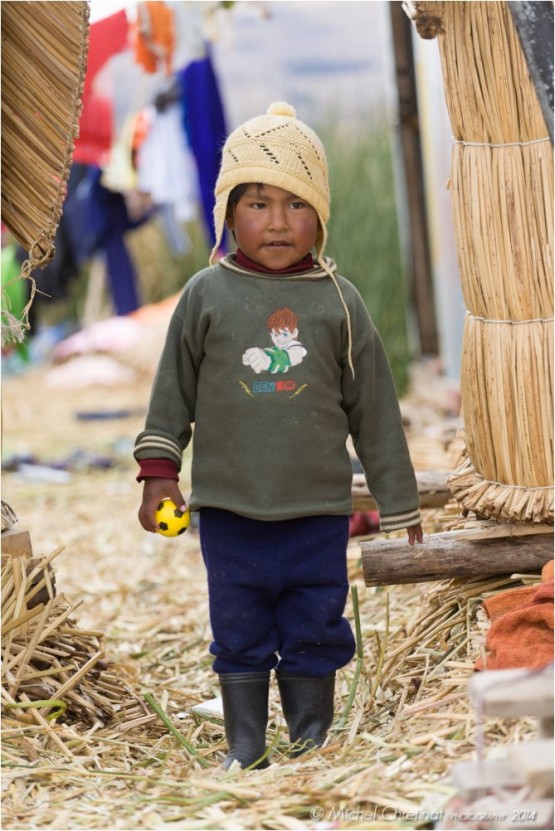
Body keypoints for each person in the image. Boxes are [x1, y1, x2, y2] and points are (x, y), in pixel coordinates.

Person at [135, 102, 423, 770]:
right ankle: (244, 743)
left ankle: (310, 736)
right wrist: (158, 475)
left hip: (316, 510)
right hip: (229, 507)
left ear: (319, 216)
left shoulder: (338, 301)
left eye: (296, 205)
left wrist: (398, 499)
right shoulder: (205, 294)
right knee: (236, 626)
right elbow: (170, 394)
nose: (275, 222)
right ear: (228, 213)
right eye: (257, 203)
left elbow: (374, 408)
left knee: (314, 622)